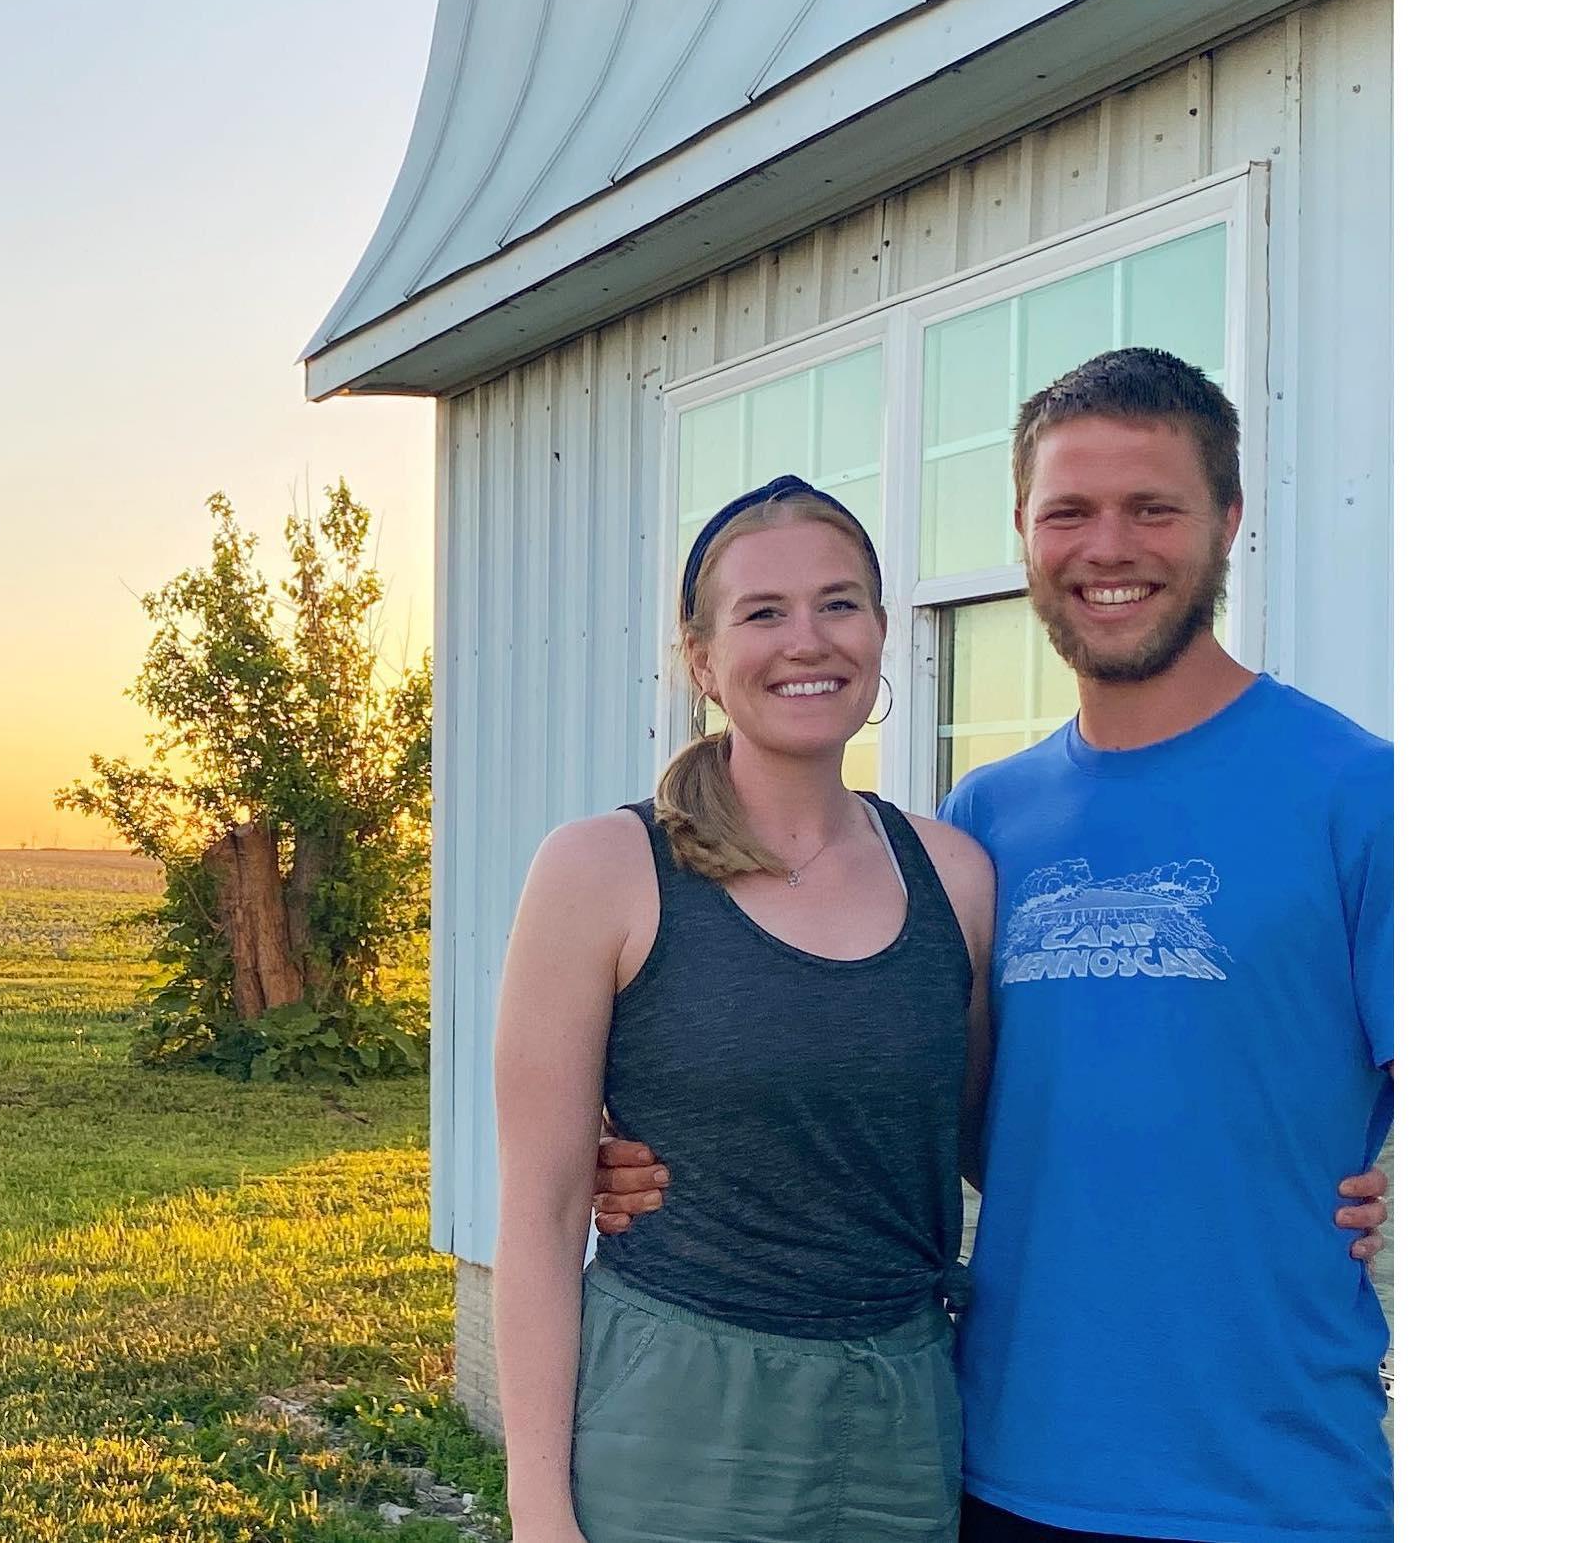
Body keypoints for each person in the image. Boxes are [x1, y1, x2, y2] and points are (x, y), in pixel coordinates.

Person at [597, 349, 1394, 1543]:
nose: (1106, 547)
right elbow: (922, 1108)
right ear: (1022, 533)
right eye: (1067, 511)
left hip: (1274, 1480)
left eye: (1152, 508)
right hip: (994, 1461)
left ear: (1227, 521)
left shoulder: (1361, 794)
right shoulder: (979, 832)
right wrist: (667, 1156)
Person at [493, 475, 995, 1543]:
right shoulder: (603, 869)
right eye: (762, 612)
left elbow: (1001, 1146)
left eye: (839, 602)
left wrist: (1294, 1177)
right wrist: (539, 1510)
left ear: (880, 632)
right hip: (676, 1406)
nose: (806, 640)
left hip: (901, 1415)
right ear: (703, 660)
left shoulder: (955, 876)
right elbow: (538, 1215)